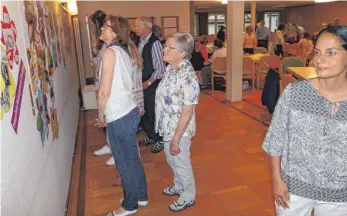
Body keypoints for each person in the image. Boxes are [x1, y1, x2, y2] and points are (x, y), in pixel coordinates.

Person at [262, 25, 347, 216]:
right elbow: (276, 140)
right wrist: (276, 180)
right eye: (317, 52)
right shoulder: (295, 94)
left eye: (331, 52)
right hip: (293, 190)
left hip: (339, 195)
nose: (319, 60)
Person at [96, 15, 148, 216]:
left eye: (106, 26)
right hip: (129, 111)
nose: (102, 28)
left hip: (119, 114)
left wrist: (101, 115)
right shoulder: (123, 51)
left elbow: (104, 91)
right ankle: (140, 196)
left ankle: (129, 205)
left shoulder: (110, 52)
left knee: (124, 162)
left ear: (115, 32)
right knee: (132, 158)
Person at [155, 32, 199, 212]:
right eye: (165, 45)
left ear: (182, 53)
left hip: (179, 130)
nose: (164, 49)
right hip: (168, 126)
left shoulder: (187, 76)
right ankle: (179, 185)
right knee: (171, 159)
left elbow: (188, 111)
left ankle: (188, 195)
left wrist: (176, 139)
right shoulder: (172, 68)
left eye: (169, 47)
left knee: (181, 162)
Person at [135, 17, 166, 153]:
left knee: (154, 113)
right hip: (142, 85)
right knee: (144, 112)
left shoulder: (155, 43)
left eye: (137, 26)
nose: (135, 28)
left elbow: (160, 68)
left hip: (152, 84)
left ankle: (160, 139)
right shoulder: (139, 41)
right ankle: (150, 135)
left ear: (146, 27)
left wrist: (148, 82)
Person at [89, 10, 116, 167]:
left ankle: (116, 151)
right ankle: (110, 145)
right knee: (107, 121)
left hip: (108, 88)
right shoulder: (102, 44)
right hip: (101, 84)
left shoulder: (110, 46)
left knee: (108, 120)